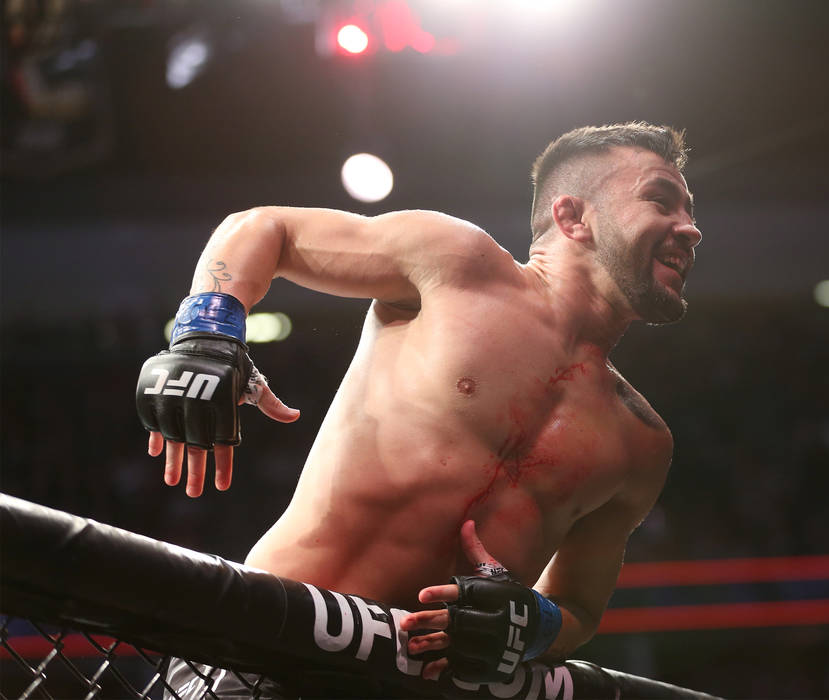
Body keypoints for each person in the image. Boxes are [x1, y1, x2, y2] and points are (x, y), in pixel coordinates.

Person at [137, 122, 701, 691]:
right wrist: (206, 333)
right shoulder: (459, 266)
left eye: (690, 211)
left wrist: (532, 624)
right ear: (573, 218)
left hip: (419, 687)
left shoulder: (641, 441)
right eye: (661, 200)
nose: (691, 228)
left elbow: (578, 607)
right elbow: (265, 228)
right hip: (271, 649)